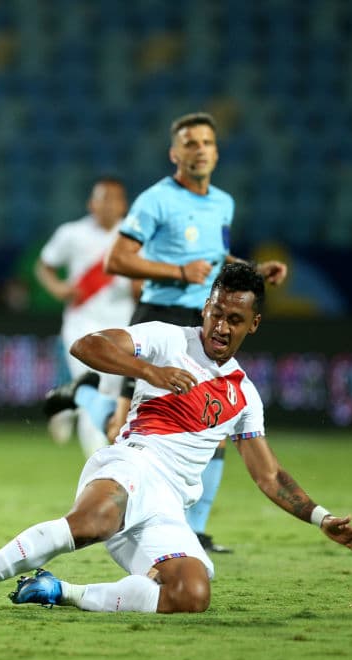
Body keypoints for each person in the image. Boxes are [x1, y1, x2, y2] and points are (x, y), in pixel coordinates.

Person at [0, 263, 352, 615]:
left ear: (253, 324)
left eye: (234, 319)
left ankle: (59, 590)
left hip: (167, 506)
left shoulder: (244, 395)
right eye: (216, 313)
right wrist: (150, 371)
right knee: (93, 521)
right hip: (132, 465)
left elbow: (269, 475)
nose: (221, 327)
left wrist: (321, 518)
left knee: (191, 593)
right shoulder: (168, 339)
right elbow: (86, 345)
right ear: (205, 306)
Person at [97, 111, 289, 553]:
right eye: (190, 142)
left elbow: (214, 260)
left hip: (206, 322)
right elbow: (117, 260)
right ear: (174, 153)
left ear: (216, 153)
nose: (199, 149)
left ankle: (194, 530)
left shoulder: (222, 202)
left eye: (206, 142)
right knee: (126, 424)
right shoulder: (155, 200)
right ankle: (93, 410)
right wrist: (179, 271)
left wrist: (252, 270)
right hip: (161, 317)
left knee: (212, 425)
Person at [34, 176, 138, 458]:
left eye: (114, 199)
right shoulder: (72, 233)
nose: (108, 205)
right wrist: (58, 288)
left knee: (114, 393)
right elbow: (44, 265)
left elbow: (143, 284)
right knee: (95, 384)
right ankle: (100, 459)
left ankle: (71, 399)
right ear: (91, 204)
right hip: (82, 324)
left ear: (124, 205)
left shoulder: (135, 237)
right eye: (103, 199)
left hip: (122, 326)